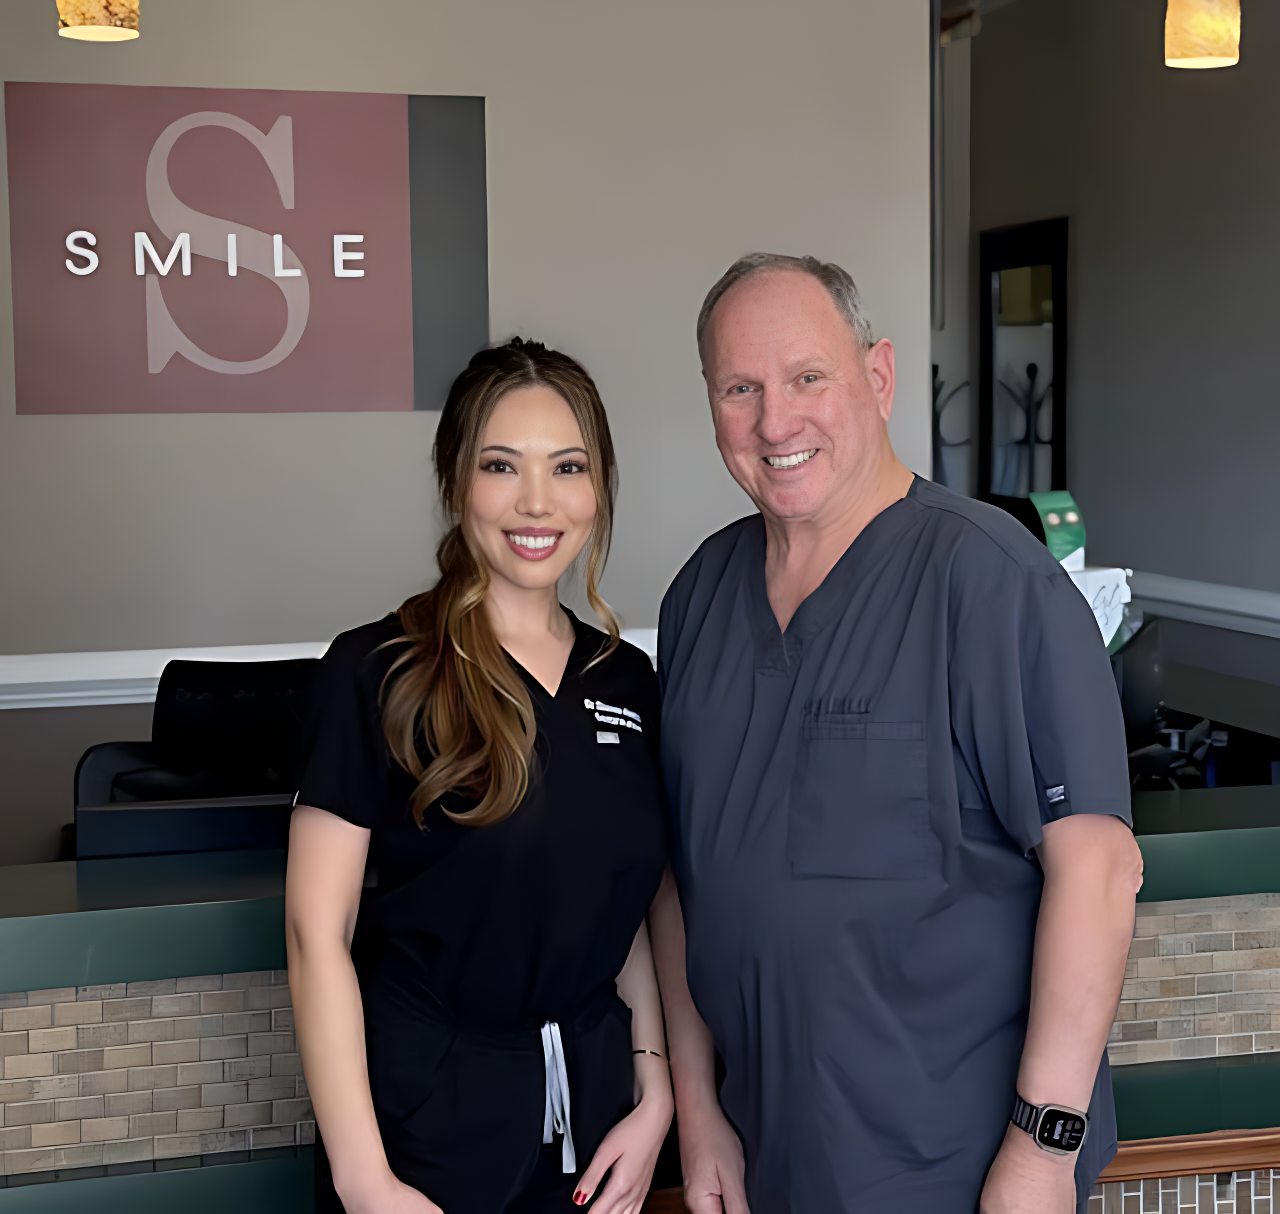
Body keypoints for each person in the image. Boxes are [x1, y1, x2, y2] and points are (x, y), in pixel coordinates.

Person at [648, 255, 1143, 1214]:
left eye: (806, 378)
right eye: (739, 389)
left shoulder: (993, 584)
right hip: (765, 1161)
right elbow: (680, 879)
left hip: (952, 1169)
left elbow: (1099, 868)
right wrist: (701, 1117)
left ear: (876, 378)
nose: (775, 421)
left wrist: (1042, 1154)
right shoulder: (698, 599)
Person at [286, 338, 673, 1214]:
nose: (536, 501)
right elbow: (316, 935)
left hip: (598, 1114)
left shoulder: (627, 680)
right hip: (423, 1123)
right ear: (457, 482)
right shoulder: (378, 671)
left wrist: (656, 1093)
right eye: (503, 465)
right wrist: (365, 1180)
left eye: (567, 466)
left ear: (598, 486)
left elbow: (631, 909)